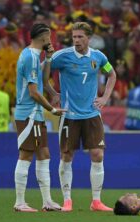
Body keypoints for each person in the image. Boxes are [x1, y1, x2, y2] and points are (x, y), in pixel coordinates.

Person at [44, 22, 116, 212]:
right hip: (70, 115)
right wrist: (52, 92)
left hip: (92, 114)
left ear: (89, 38)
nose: (76, 40)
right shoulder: (63, 56)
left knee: (97, 154)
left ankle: (96, 201)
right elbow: (42, 71)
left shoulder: (98, 57)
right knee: (67, 156)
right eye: (74, 37)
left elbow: (112, 75)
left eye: (80, 37)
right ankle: (67, 200)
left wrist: (105, 97)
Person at [13, 23, 66, 212]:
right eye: (49, 37)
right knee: (26, 154)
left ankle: (47, 201)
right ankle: (19, 202)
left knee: (44, 153)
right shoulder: (29, 57)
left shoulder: (35, 56)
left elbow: (43, 81)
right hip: (28, 113)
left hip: (35, 114)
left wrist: (49, 58)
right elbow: (34, 92)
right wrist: (52, 109)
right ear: (43, 37)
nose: (50, 40)